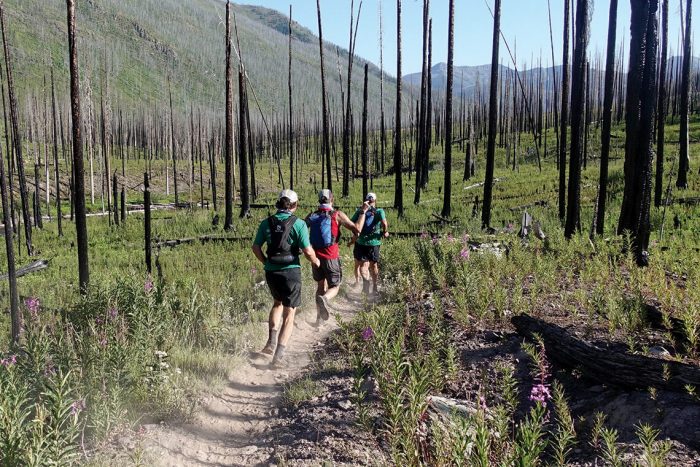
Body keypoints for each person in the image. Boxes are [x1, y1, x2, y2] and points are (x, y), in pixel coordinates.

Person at [252, 189, 321, 368]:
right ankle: (278, 358)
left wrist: (266, 262)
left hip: (271, 271)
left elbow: (256, 247)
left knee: (277, 303)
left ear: (278, 203)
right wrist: (316, 261)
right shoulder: (299, 224)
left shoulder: (266, 222)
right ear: (295, 205)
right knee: (289, 313)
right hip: (291, 272)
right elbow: (307, 251)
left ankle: (270, 343)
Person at [306, 189, 369, 325]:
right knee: (335, 286)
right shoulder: (337, 215)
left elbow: (301, 229)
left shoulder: (312, 215)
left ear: (319, 200)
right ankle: (325, 299)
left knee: (320, 286)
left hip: (315, 258)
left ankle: (319, 320)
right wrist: (363, 211)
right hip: (331, 256)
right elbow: (357, 228)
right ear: (332, 199)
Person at [350, 192, 389, 294]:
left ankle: (366, 285)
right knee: (374, 265)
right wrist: (385, 232)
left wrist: (355, 234)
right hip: (374, 243)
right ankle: (375, 287)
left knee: (363, 266)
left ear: (366, 200)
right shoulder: (379, 211)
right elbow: (384, 223)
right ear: (375, 200)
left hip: (361, 242)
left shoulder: (360, 211)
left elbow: (351, 223)